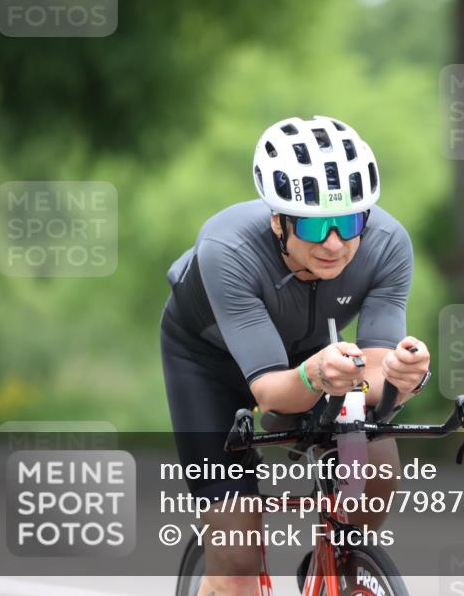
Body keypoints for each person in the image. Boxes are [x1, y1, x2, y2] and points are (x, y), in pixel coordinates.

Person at [160, 116, 431, 596]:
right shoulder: (227, 248)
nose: (334, 242)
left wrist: (399, 378)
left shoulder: (388, 244)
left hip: (313, 351)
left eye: (349, 222)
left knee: (379, 467)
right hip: (209, 364)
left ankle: (337, 567)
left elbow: (373, 371)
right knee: (237, 560)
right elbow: (271, 396)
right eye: (312, 223)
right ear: (277, 220)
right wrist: (314, 377)